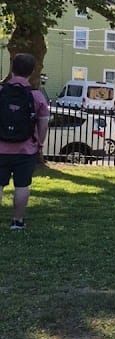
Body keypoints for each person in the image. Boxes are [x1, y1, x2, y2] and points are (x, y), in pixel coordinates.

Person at [0, 52, 50, 232]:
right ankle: (17, 221)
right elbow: (43, 123)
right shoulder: (36, 96)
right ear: (31, 72)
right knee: (22, 185)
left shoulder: (1, 91)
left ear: (12, 69)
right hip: (26, 149)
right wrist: (40, 144)